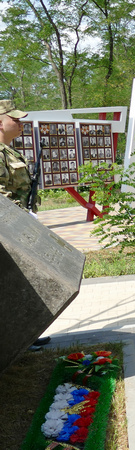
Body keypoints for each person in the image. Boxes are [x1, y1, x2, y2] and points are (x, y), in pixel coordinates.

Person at [0, 99, 50, 350]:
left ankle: (25, 335)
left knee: (21, 285)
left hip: (18, 228)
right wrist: (22, 219)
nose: (20, 124)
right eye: (15, 119)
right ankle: (15, 339)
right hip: (6, 231)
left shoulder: (11, 150)